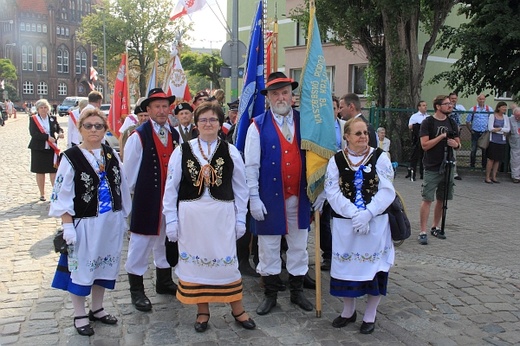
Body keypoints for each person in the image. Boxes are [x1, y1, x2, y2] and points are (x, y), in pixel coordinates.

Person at [163, 102, 255, 332]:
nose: (208, 124)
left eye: (212, 119)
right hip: (191, 219)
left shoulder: (231, 151)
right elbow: (171, 188)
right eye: (203, 120)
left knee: (227, 265)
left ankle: (238, 310)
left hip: (221, 217)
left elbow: (242, 188)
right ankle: (202, 311)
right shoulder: (182, 151)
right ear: (196, 124)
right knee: (196, 266)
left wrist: (241, 218)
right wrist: (171, 220)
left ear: (220, 124)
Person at [49, 108, 131, 336]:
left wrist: (124, 215)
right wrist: (67, 224)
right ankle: (79, 313)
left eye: (99, 126)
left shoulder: (110, 154)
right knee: (82, 269)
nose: (94, 130)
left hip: (109, 222)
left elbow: (121, 185)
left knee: (103, 266)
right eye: (89, 126)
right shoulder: (71, 157)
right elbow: (61, 193)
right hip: (85, 223)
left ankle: (97, 308)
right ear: (80, 129)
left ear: (105, 129)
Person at [244, 72, 313, 315]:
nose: (281, 97)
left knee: (298, 245)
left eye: (285, 92)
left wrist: (318, 190)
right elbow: (251, 166)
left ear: (292, 96)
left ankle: (297, 292)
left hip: (299, 196)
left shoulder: (306, 122)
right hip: (270, 198)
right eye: (275, 93)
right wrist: (253, 197)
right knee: (269, 246)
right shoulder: (258, 125)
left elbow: (316, 159)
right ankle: (270, 294)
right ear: (269, 98)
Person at [324, 117, 395, 334]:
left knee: (374, 269)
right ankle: (348, 310)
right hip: (346, 226)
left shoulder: (380, 158)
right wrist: (354, 213)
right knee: (346, 269)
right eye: (358, 133)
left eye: (365, 132)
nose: (363, 136)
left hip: (375, 225)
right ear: (346, 136)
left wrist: (368, 213)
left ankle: (370, 314)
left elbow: (387, 190)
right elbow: (332, 191)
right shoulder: (336, 160)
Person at [123, 88, 180, 312]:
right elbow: (128, 176)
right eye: (157, 106)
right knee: (140, 242)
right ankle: (136, 290)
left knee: (165, 241)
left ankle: (164, 281)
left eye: (165, 106)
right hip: (147, 199)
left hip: (169, 201)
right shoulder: (138, 136)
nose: (162, 110)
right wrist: (135, 201)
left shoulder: (174, 134)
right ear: (148, 109)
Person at [417, 95, 461, 245]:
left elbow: (458, 144)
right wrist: (441, 137)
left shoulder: (452, 122)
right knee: (427, 198)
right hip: (432, 166)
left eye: (451, 103)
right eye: (447, 104)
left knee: (442, 199)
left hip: (448, 165)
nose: (450, 106)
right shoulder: (428, 122)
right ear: (438, 106)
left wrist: (455, 144)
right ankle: (422, 231)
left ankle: (435, 227)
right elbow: (425, 145)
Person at [319, 96, 346, 271]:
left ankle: (342, 252)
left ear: (338, 110)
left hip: (342, 178)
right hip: (322, 178)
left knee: (340, 218)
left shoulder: (345, 127)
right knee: (323, 220)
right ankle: (327, 254)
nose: (332, 111)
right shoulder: (318, 127)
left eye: (334, 108)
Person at [28, 99, 64, 201]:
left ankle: (55, 193)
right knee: (40, 171)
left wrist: (61, 133)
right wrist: (47, 137)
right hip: (38, 148)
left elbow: (58, 128)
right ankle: (42, 193)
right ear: (38, 109)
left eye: (45, 107)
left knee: (53, 171)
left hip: (51, 149)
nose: (44, 110)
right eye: (41, 108)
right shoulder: (33, 119)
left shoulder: (52, 118)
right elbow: (34, 133)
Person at [484, 102, 510, 184]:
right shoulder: (492, 116)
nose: (504, 109)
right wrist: (501, 129)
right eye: (503, 107)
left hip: (502, 141)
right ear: (498, 108)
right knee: (491, 159)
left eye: (505, 107)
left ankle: (494, 176)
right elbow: (491, 128)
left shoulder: (506, 117)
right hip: (493, 140)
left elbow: (508, 129)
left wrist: (498, 129)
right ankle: (487, 177)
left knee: (498, 160)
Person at [466, 94, 493, 171]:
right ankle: (472, 166)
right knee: (473, 149)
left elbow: (492, 119)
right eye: (480, 99)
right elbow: (468, 121)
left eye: (483, 99)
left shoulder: (489, 109)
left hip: (485, 133)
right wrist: (471, 130)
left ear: (485, 100)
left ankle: (483, 167)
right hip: (475, 132)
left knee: (484, 150)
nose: (482, 101)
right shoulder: (473, 109)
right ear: (477, 100)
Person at [407, 101, 429, 180]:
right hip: (416, 138)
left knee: (424, 157)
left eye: (426, 105)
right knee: (414, 156)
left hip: (425, 138)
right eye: (423, 105)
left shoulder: (428, 117)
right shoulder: (414, 116)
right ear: (419, 107)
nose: (425, 107)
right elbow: (410, 126)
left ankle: (423, 174)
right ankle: (412, 174)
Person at [449, 92, 466, 180]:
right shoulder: (447, 108)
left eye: (455, 98)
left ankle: (454, 173)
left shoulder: (459, 107)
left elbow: (463, 111)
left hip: (456, 132)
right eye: (452, 98)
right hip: (448, 132)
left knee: (455, 152)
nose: (453, 100)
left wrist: (454, 107)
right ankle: (449, 172)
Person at [509, 108, 520, 183]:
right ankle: (515, 176)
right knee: (515, 160)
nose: (517, 118)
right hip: (515, 143)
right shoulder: (510, 119)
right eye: (516, 116)